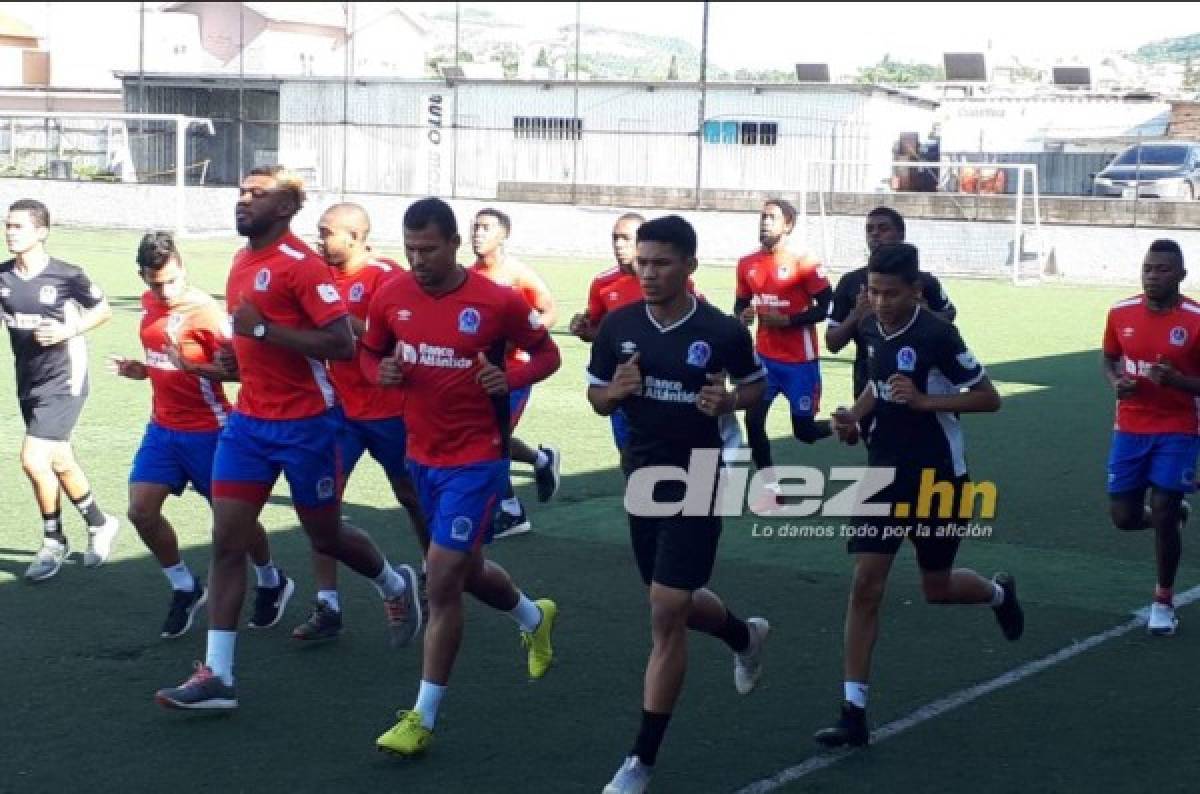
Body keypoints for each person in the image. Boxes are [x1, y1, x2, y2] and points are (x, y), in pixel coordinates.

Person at [155, 166, 421, 711]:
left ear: (285, 207)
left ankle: (394, 584)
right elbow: (250, 340)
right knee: (228, 540)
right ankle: (218, 677)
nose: (242, 200)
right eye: (241, 191)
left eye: (257, 194)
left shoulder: (301, 267)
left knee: (323, 536)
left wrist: (263, 332)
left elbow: (342, 343)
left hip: (307, 425)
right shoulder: (239, 260)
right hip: (249, 423)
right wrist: (237, 357)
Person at [366, 198, 560, 756]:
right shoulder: (392, 296)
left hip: (478, 458)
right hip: (421, 455)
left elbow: (547, 355)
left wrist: (512, 374)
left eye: (428, 248)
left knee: (442, 578)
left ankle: (421, 717)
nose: (418, 259)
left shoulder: (495, 300)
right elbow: (369, 353)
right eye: (410, 249)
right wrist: (381, 371)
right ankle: (533, 615)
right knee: (468, 569)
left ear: (453, 243)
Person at [587, 215, 770, 794]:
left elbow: (758, 384)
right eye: (642, 262)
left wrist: (730, 400)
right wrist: (614, 392)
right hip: (642, 475)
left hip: (701, 476)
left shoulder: (720, 331)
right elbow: (596, 394)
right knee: (675, 600)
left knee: (665, 610)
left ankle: (640, 760)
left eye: (661, 262)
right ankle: (744, 636)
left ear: (689, 266)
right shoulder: (618, 325)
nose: (648, 273)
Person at [815, 242, 1021, 749]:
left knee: (936, 586)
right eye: (872, 291)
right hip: (883, 474)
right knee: (866, 584)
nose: (879, 302)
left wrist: (926, 400)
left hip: (939, 479)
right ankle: (853, 713)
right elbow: (879, 386)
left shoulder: (938, 334)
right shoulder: (868, 326)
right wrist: (853, 419)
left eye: (890, 293)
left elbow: (989, 397)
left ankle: (997, 593)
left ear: (915, 290)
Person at [109, 232, 276, 638]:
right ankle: (185, 587)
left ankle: (271, 579)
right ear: (143, 278)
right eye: (154, 283)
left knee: (235, 522)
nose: (163, 291)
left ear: (182, 268)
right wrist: (144, 370)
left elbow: (243, 372)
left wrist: (192, 368)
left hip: (210, 430)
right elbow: (162, 361)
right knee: (141, 512)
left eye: (170, 281)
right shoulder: (148, 305)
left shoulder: (206, 312)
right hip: (163, 428)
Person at [292, 202, 431, 643]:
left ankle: (435, 575)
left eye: (326, 232)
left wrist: (341, 321)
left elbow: (399, 336)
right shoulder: (316, 274)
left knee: (412, 496)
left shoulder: (386, 277)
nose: (318, 239)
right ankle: (328, 605)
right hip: (338, 412)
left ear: (355, 236)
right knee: (321, 507)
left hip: (392, 409)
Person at [0, 198, 118, 582]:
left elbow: (103, 310)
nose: (10, 232)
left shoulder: (67, 276)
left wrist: (68, 330)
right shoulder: (3, 276)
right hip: (29, 380)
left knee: (33, 459)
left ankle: (54, 540)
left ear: (41, 232)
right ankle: (100, 524)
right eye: (7, 225)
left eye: (18, 226)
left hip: (65, 379)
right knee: (59, 460)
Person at [1102, 239, 1200, 636]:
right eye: (1148, 268)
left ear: (1181, 275)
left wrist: (1179, 382)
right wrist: (1116, 383)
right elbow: (1109, 357)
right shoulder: (1120, 312)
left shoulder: (1196, 320)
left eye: (1162, 269)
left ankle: (1163, 600)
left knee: (1161, 505)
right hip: (1130, 426)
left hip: (1179, 427)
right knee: (1124, 518)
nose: (1152, 276)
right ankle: (1174, 516)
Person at [733, 199, 833, 513]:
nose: (764, 222)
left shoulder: (804, 261)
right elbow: (739, 305)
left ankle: (846, 422)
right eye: (762, 217)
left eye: (772, 218)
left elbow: (827, 307)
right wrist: (744, 315)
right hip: (763, 359)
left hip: (800, 362)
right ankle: (772, 488)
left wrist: (789, 321)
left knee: (804, 433)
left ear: (787, 225)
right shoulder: (746, 263)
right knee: (753, 420)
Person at [471, 208, 561, 537]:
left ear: (503, 234)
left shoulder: (518, 274)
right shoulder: (469, 275)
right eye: (475, 227)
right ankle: (540, 460)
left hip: (517, 370)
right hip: (482, 372)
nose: (477, 234)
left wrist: (521, 339)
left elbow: (548, 311)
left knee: (491, 439)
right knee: (492, 436)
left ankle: (511, 509)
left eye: (486, 228)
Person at [826, 206, 956, 403]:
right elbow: (832, 343)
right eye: (869, 230)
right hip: (869, 384)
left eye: (883, 228)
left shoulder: (923, 282)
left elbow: (949, 316)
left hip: (921, 385)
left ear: (901, 234)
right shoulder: (850, 283)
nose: (875, 234)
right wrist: (856, 315)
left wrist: (925, 314)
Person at [570, 212, 646, 454]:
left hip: (663, 384)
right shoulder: (602, 283)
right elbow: (597, 332)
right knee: (628, 455)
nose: (618, 245)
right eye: (615, 238)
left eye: (625, 238)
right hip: (620, 383)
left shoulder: (667, 280)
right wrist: (583, 329)